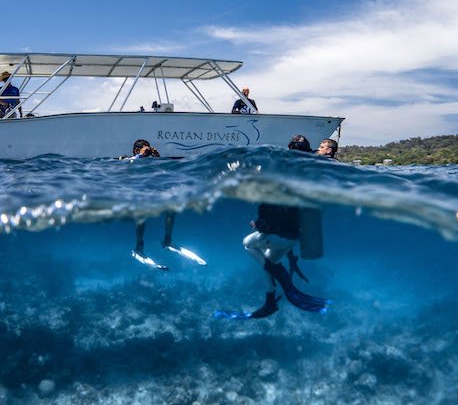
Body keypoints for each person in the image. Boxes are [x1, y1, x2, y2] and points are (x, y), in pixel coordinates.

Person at [216, 134, 329, 320]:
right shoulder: (305, 178)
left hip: (279, 237)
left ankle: (283, 289)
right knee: (270, 261)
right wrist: (293, 256)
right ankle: (270, 301)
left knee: (247, 243)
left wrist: (259, 224)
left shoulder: (277, 180)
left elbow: (272, 214)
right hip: (292, 240)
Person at [124, 140, 207, 270]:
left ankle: (167, 241)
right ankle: (138, 248)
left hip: (154, 194)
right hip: (138, 196)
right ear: (136, 151)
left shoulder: (152, 161)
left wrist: (157, 158)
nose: (147, 152)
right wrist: (140, 156)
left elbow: (164, 173)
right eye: (145, 150)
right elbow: (128, 165)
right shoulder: (130, 158)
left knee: (171, 208)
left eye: (148, 149)